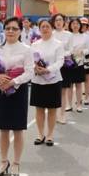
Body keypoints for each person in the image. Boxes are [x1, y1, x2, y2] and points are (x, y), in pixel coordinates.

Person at [0, 17, 34, 176]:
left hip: (18, 90)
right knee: (3, 129)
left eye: (14, 29)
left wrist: (14, 82)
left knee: (17, 129)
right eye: (8, 28)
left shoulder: (26, 49)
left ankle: (16, 163)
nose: (10, 31)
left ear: (20, 31)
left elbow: (30, 72)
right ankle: (4, 161)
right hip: (1, 89)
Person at [30, 18, 64, 146]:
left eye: (47, 26)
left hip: (53, 81)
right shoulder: (34, 45)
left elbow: (60, 61)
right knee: (39, 109)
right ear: (39, 29)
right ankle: (40, 134)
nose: (45, 29)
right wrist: (35, 68)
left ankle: (50, 135)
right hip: (38, 80)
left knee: (51, 110)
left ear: (52, 28)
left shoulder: (58, 44)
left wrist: (47, 70)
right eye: (42, 27)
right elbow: (30, 61)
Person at [51, 13, 72, 124]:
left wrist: (62, 54)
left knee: (63, 91)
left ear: (64, 22)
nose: (58, 22)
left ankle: (62, 114)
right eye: (56, 20)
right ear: (53, 22)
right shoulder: (51, 34)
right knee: (54, 91)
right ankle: (54, 115)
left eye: (60, 20)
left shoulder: (69, 35)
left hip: (64, 65)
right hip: (53, 66)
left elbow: (70, 50)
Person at [67, 18, 89, 113]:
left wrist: (82, 51)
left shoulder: (84, 36)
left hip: (79, 62)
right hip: (69, 62)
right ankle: (69, 104)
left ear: (80, 26)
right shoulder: (68, 36)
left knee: (79, 84)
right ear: (70, 25)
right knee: (69, 85)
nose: (75, 25)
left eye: (77, 24)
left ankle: (79, 104)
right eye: (73, 23)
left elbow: (88, 49)